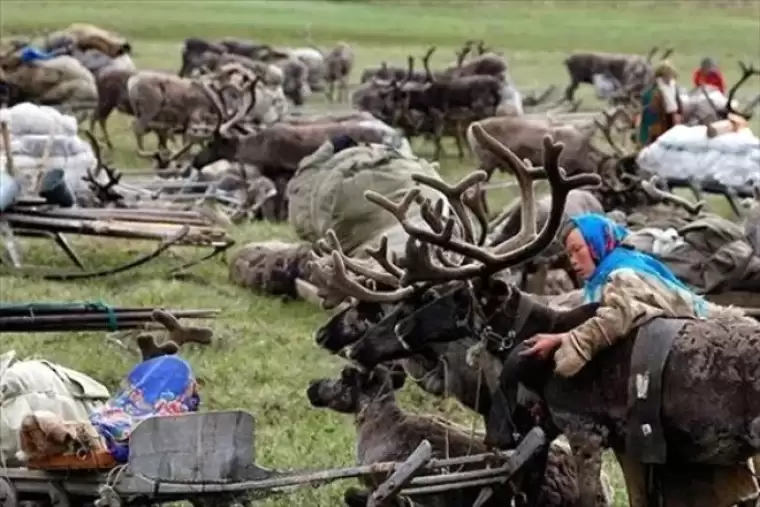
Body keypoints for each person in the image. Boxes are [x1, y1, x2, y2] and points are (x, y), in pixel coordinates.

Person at [518, 212, 748, 377]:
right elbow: (583, 301)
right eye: (569, 254)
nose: (573, 261)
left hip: (718, 333)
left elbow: (618, 314)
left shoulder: (624, 272)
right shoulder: (604, 275)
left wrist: (564, 340)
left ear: (597, 243)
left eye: (578, 250)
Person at [637, 60, 683, 147]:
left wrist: (679, 114)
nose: (669, 77)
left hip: (672, 118)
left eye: (670, 75)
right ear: (662, 76)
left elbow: (678, 102)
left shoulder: (673, 86)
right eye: (667, 75)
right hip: (660, 121)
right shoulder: (654, 91)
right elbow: (650, 111)